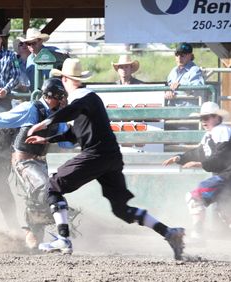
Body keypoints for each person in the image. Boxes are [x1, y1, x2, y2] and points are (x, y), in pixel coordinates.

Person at [26, 58, 186, 260]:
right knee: (122, 210)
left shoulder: (83, 97)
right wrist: (47, 138)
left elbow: (71, 112)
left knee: (53, 186)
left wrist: (45, 122)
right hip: (110, 157)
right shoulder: (87, 100)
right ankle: (169, 233)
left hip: (96, 155)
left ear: (66, 79)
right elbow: (74, 134)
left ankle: (63, 239)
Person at [0, 78, 72, 248]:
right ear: (50, 96)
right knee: (44, 188)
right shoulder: (30, 108)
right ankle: (32, 231)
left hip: (40, 161)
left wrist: (79, 134)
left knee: (38, 195)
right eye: (60, 97)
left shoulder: (58, 116)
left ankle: (34, 240)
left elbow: (65, 143)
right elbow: (0, 119)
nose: (63, 101)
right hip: (23, 160)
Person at [163, 102, 231, 240]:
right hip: (224, 177)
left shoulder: (222, 131)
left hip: (227, 175)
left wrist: (201, 164)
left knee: (195, 197)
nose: (203, 121)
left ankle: (198, 235)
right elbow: (199, 152)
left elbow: (222, 156)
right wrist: (180, 158)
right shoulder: (210, 135)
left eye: (207, 118)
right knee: (226, 212)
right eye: (202, 118)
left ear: (217, 118)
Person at [20, 27, 68, 92]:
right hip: (35, 95)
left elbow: (65, 57)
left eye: (33, 43)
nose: (31, 46)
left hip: (52, 94)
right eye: (28, 43)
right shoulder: (29, 59)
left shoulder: (53, 53)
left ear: (40, 41)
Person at [11, 39, 31, 108]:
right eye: (21, 44)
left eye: (27, 43)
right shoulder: (13, 62)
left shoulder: (36, 61)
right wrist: (17, 85)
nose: (24, 45)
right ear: (18, 49)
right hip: (18, 96)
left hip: (33, 95)